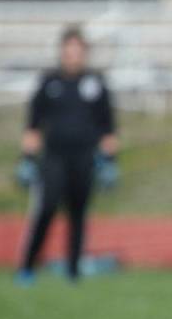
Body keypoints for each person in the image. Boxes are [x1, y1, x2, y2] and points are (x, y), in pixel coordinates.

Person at [16, 25, 118, 284]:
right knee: (47, 208)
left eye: (78, 51)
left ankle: (74, 271)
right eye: (69, 50)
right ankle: (27, 266)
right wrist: (27, 161)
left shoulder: (96, 83)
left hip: (84, 158)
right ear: (62, 52)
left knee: (78, 213)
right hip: (54, 157)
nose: (73, 55)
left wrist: (109, 163)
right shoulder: (49, 81)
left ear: (85, 53)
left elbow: (108, 128)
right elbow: (33, 125)